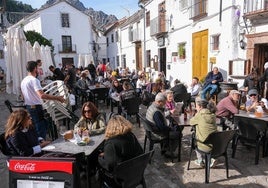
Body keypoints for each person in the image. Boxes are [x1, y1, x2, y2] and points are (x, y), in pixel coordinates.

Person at [21, 61, 65, 139]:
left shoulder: (24, 80)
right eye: (38, 68)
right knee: (40, 128)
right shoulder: (34, 80)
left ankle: (38, 143)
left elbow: (23, 96)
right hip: (36, 108)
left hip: (28, 107)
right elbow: (42, 95)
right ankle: (40, 145)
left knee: (37, 127)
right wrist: (58, 98)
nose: (39, 70)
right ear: (35, 69)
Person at [146, 92, 181, 158]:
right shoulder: (156, 112)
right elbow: (162, 128)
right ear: (159, 102)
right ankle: (168, 151)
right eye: (164, 103)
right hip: (156, 133)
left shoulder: (151, 106)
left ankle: (165, 148)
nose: (165, 105)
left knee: (175, 128)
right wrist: (171, 129)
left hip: (152, 130)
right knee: (178, 134)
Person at [189, 99, 217, 167]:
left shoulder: (200, 115)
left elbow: (191, 122)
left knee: (192, 140)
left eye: (196, 106)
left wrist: (195, 115)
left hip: (205, 145)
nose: (196, 108)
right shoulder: (213, 115)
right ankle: (211, 159)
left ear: (200, 107)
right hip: (216, 145)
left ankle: (200, 160)